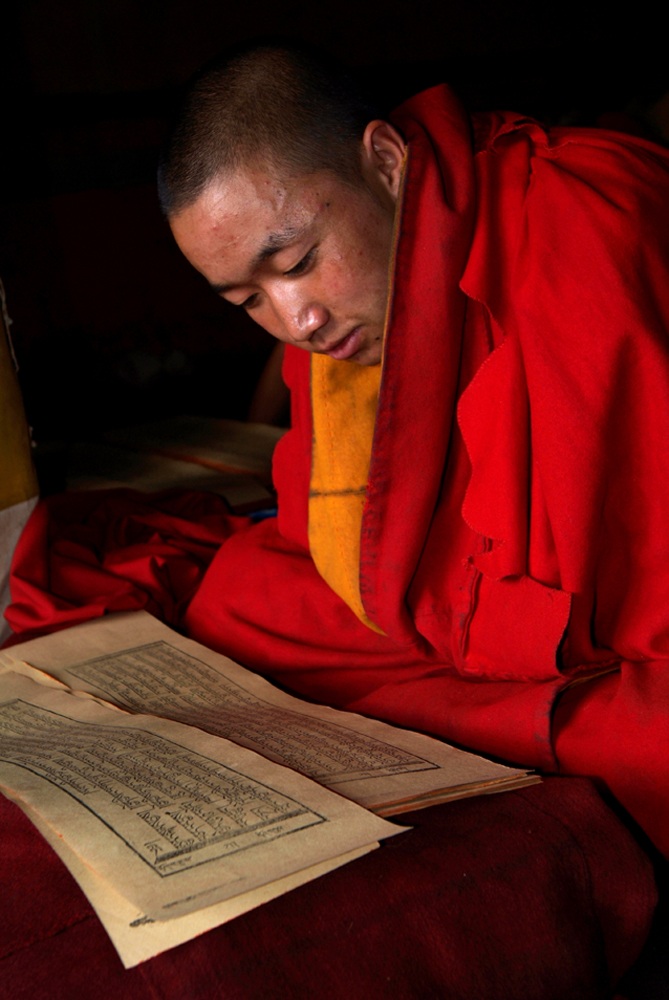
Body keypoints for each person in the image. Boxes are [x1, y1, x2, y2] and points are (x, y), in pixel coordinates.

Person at [9, 39, 669, 863]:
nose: (297, 322)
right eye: (248, 298)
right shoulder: (341, 314)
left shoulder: (586, 212)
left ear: (385, 161)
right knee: (238, 599)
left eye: (296, 263)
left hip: (593, 644)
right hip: (454, 622)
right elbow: (336, 538)